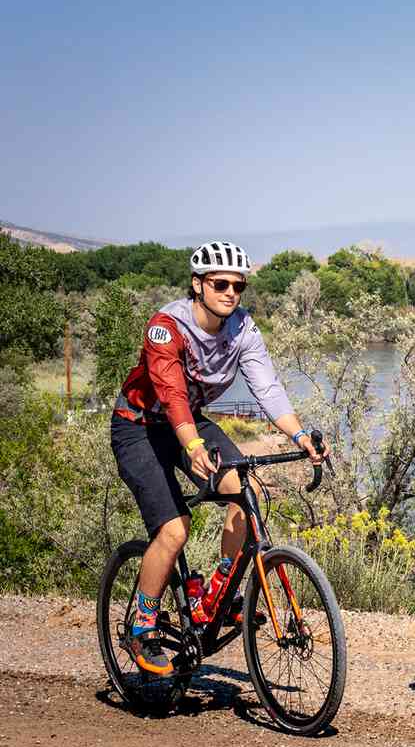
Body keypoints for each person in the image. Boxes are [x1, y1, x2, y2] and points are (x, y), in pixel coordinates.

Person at [112, 241, 326, 675]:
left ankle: (217, 595)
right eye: (220, 283)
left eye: (237, 285)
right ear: (198, 284)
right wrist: (192, 447)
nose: (230, 292)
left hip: (188, 421)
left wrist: (300, 435)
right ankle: (144, 626)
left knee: (244, 496)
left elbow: (266, 388)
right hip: (139, 426)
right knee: (175, 529)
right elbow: (170, 394)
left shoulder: (242, 328)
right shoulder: (166, 327)